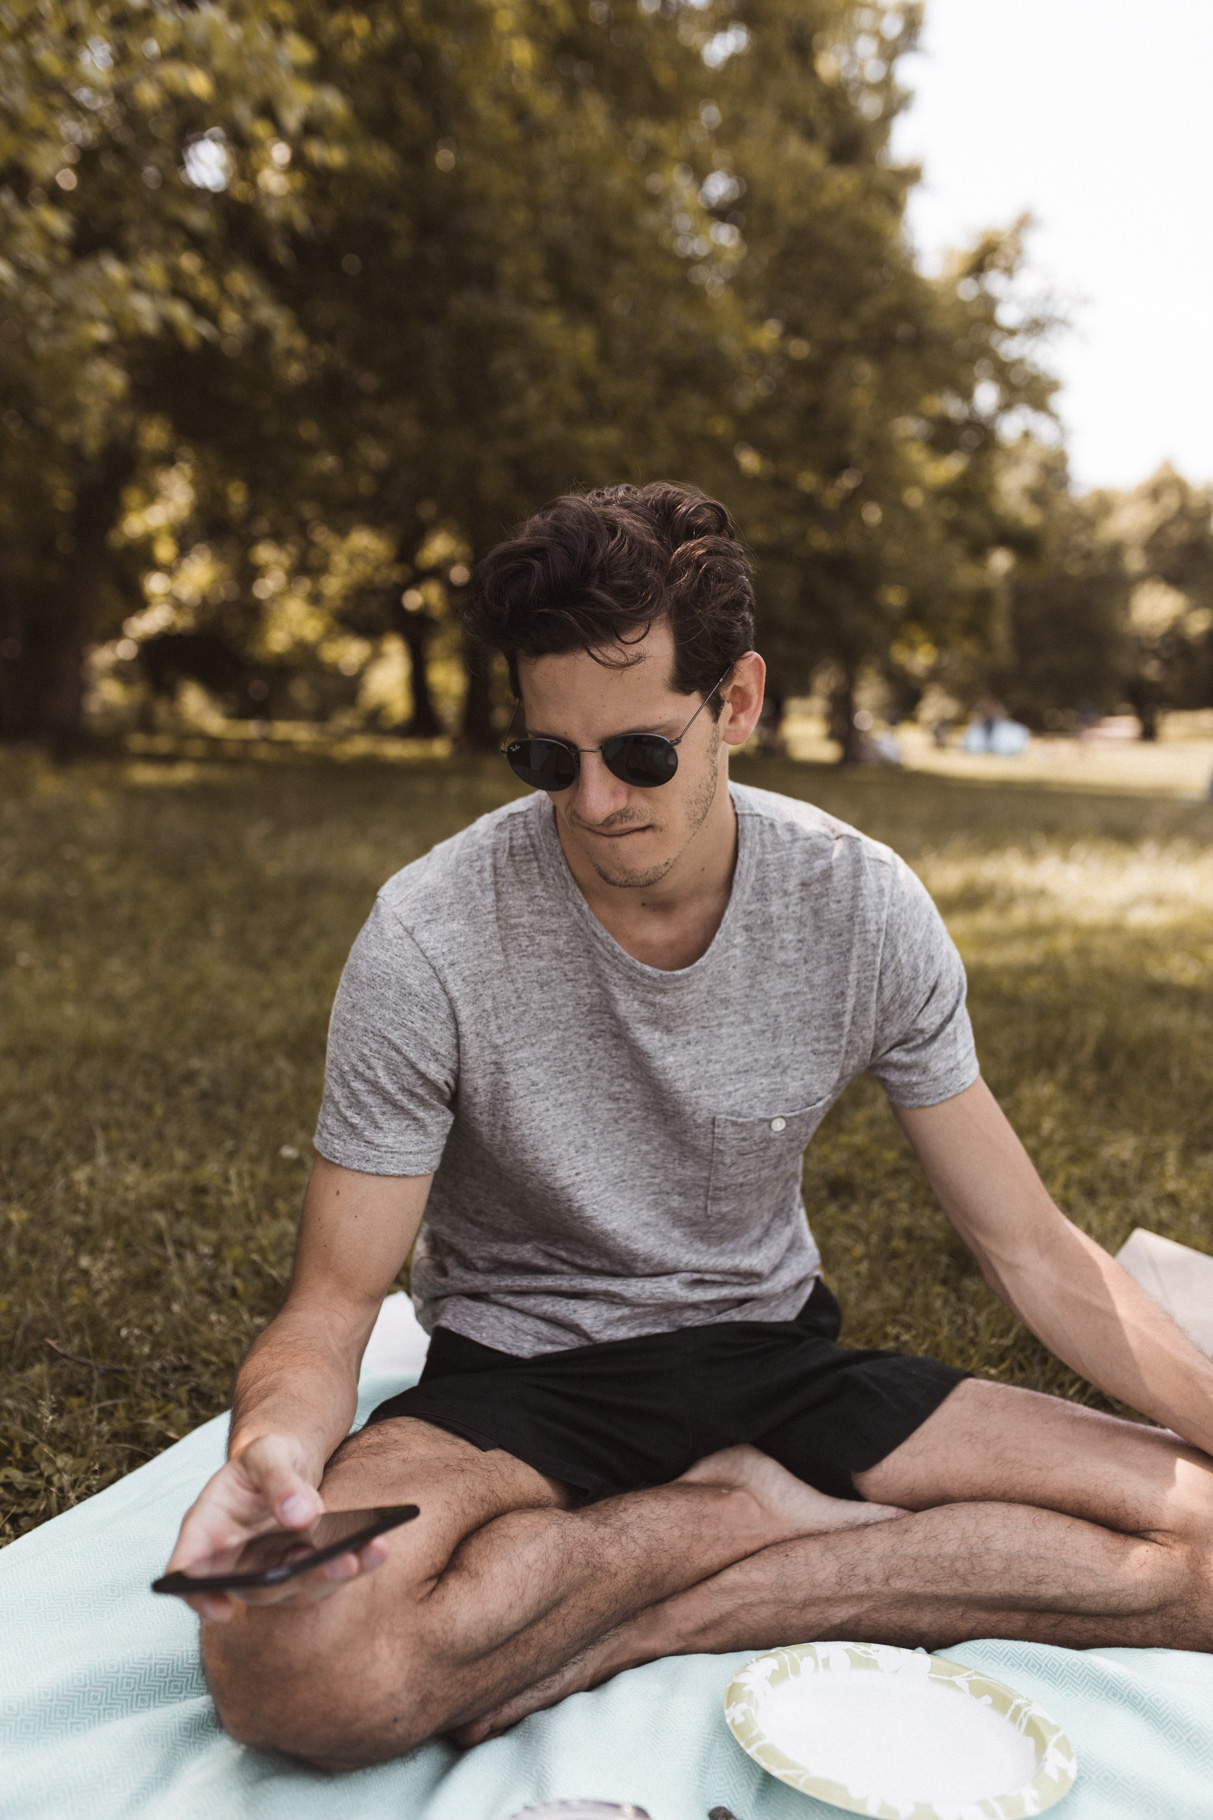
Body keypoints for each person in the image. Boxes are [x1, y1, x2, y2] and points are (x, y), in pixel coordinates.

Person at [168, 483, 1213, 1772]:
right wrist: (272, 1452)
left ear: (737, 703)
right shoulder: (429, 936)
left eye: (640, 753)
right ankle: (724, 1523)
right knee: (292, 1674)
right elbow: (331, 1308)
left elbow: (1034, 1250)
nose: (595, 800)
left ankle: (694, 1604)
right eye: (551, 760)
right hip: (521, 1380)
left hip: (772, 1358)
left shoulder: (860, 908)